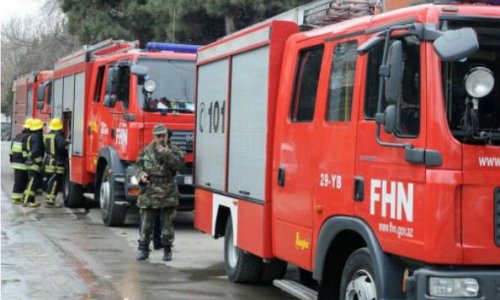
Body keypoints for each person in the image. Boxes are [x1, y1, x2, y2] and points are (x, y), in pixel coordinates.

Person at [134, 124, 184, 261]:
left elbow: (179, 166)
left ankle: (167, 250)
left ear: (168, 135)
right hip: (150, 191)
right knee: (147, 224)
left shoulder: (174, 150)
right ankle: (143, 249)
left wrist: (166, 154)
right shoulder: (146, 151)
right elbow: (137, 165)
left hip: (168, 191)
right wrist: (141, 174)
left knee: (167, 225)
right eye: (159, 136)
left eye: (164, 135)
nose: (162, 138)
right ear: (154, 137)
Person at [43, 118, 66, 208]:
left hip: (48, 160)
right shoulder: (58, 135)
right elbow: (61, 145)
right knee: (55, 182)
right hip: (56, 161)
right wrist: (67, 141)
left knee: (50, 181)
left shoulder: (48, 135)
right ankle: (50, 201)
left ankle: (49, 199)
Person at [9, 118, 33, 204]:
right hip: (22, 163)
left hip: (16, 161)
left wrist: (11, 158)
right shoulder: (27, 137)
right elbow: (25, 150)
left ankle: (17, 197)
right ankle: (16, 198)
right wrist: (28, 160)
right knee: (22, 181)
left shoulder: (18, 136)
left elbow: (11, 148)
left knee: (19, 180)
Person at [23, 118, 45, 207]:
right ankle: (27, 201)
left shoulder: (31, 136)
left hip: (30, 162)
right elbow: (35, 152)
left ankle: (30, 200)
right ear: (39, 129)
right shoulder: (36, 137)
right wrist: (40, 163)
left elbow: (26, 150)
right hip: (34, 163)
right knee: (32, 181)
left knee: (32, 181)